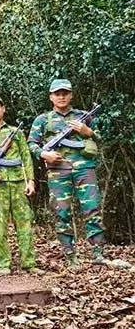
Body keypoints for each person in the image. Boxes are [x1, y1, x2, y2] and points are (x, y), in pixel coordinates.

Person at [28, 79, 106, 268]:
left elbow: (100, 139)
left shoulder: (83, 116)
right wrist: (44, 154)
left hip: (84, 169)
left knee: (92, 208)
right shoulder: (43, 120)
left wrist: (88, 132)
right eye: (57, 94)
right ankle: (70, 255)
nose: (61, 97)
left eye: (65, 93)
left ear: (71, 95)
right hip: (58, 171)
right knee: (61, 211)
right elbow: (31, 144)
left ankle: (98, 254)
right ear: (51, 97)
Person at [0, 96, 44, 275]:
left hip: (19, 182)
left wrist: (31, 181)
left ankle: (29, 263)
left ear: (3, 109)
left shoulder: (15, 132)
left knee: (25, 222)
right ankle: (3, 263)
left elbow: (26, 157)